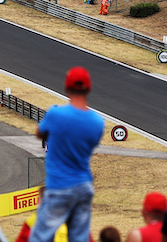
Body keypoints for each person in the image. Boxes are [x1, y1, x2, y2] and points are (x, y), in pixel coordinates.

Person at [28, 67, 104, 242]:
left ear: (66, 88)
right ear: (89, 88)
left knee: (40, 236)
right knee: (79, 238)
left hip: (60, 185)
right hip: (84, 185)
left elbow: (40, 133)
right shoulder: (97, 122)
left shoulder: (56, 114)